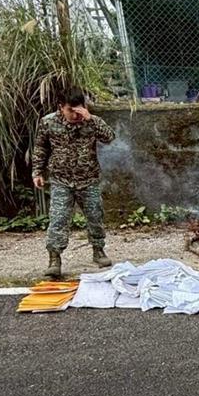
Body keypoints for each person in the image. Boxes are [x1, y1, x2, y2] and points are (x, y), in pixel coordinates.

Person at [32, 88, 116, 279]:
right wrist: (37, 171)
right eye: (72, 110)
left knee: (95, 216)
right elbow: (40, 148)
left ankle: (98, 250)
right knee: (58, 218)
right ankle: (54, 258)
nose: (76, 114)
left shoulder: (90, 121)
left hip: (89, 180)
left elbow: (109, 137)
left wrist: (91, 119)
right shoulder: (48, 122)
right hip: (61, 180)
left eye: (80, 108)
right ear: (61, 107)